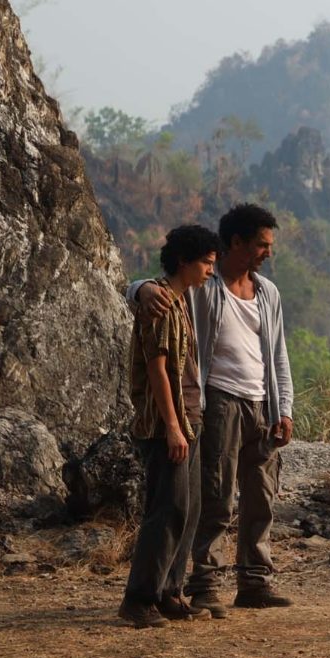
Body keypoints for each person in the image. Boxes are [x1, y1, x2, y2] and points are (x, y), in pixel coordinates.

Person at [129, 203, 294, 617]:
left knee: (260, 498)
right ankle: (201, 586)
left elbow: (278, 356)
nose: (267, 252)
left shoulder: (267, 293)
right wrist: (140, 289)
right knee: (211, 500)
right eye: (261, 244)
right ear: (235, 243)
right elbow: (158, 289)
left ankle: (253, 582)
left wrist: (284, 408)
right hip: (217, 402)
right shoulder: (204, 287)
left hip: (262, 403)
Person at [118, 225, 219, 629]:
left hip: (189, 421)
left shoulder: (182, 302)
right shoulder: (160, 303)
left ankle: (169, 591)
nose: (210, 270)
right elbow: (158, 371)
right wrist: (174, 426)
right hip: (166, 427)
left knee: (189, 508)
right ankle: (139, 598)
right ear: (184, 262)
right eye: (206, 263)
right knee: (167, 510)